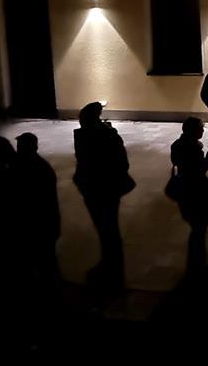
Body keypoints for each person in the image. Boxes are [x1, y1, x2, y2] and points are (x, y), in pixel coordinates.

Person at [72, 101, 133, 290]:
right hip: (107, 189)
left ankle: (111, 269)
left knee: (107, 229)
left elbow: (84, 164)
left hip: (98, 189)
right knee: (109, 229)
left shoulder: (89, 138)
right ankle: (112, 266)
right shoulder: (108, 136)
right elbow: (123, 163)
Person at [10, 132, 61, 283]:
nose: (18, 149)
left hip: (38, 224)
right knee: (45, 261)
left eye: (21, 146)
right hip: (45, 223)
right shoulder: (39, 166)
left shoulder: (31, 168)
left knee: (42, 261)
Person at [170, 117, 208, 275]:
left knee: (196, 229)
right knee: (199, 230)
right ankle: (198, 265)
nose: (203, 130)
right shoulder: (193, 149)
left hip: (184, 192)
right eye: (201, 128)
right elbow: (200, 170)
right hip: (196, 192)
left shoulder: (176, 145)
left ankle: (195, 264)